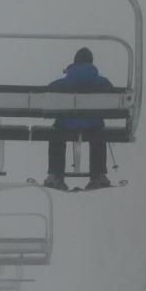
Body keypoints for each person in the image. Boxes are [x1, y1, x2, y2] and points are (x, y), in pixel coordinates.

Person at [44, 47, 113, 191]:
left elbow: (46, 95)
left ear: (75, 63)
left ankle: (56, 175)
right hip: (93, 126)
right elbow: (112, 100)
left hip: (66, 125)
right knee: (99, 131)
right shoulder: (103, 83)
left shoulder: (61, 84)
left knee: (56, 132)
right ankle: (98, 175)